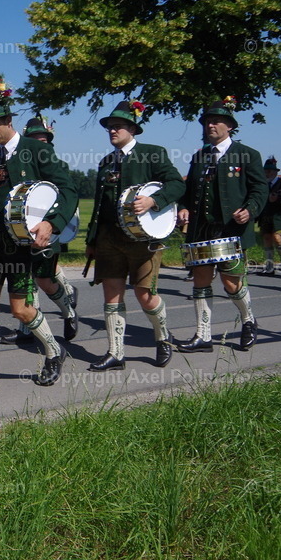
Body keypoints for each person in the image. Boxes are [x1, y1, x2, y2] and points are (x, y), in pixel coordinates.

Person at [0, 73, 78, 393]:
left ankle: (54, 350)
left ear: (9, 120)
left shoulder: (36, 151)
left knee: (21, 309)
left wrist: (52, 223)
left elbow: (68, 189)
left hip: (21, 246)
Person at [84, 100, 185, 371]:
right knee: (111, 295)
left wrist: (154, 201)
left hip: (143, 240)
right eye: (109, 127)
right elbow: (99, 206)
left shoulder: (152, 153)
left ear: (132, 129)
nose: (112, 130)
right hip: (109, 240)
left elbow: (177, 184)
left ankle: (162, 338)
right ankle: (116, 353)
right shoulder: (106, 162)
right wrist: (92, 240)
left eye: (117, 126)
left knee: (145, 295)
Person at [176, 96, 267, 353]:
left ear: (230, 126)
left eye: (216, 121)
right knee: (200, 280)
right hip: (201, 230)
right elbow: (188, 190)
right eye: (207, 122)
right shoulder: (199, 156)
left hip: (230, 229)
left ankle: (248, 320)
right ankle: (203, 336)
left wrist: (249, 210)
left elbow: (260, 189)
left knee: (231, 283)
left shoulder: (247, 154)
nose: (210, 125)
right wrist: (183, 207)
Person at [0, 116, 78, 344]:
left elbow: (66, 194)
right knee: (27, 280)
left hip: (48, 230)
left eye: (42, 139)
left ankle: (68, 312)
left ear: (49, 141)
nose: (38, 143)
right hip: (20, 231)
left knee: (44, 280)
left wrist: (53, 223)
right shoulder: (17, 162)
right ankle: (27, 330)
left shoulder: (57, 164)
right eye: (33, 139)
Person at [256, 157, 281, 277]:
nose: (267, 173)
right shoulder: (262, 184)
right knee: (267, 238)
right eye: (265, 171)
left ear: (275, 172)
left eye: (270, 171)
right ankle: (269, 267)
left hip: (280, 216)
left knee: (277, 238)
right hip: (265, 215)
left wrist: (278, 199)